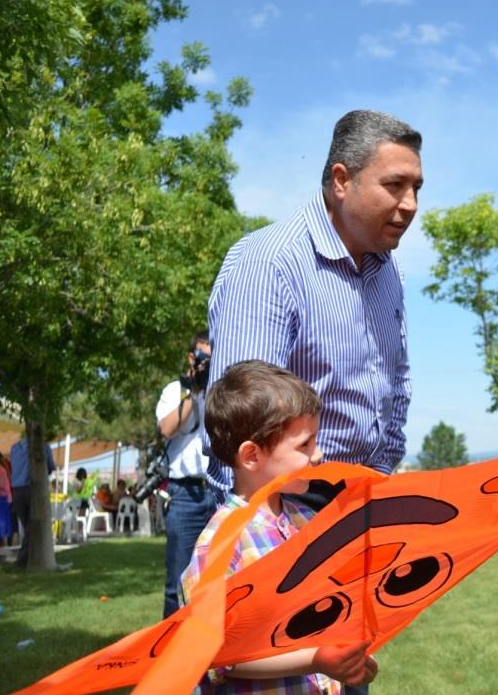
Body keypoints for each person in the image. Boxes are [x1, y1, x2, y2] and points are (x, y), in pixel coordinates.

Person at [206, 110, 422, 507]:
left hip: (366, 502)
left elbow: (397, 386)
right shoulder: (269, 264)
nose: (410, 204)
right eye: (395, 185)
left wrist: (379, 482)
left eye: (416, 188)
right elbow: (234, 426)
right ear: (342, 180)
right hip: (289, 516)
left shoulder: (390, 273)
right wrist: (263, 532)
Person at [181, 359, 378, 694]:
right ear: (252, 457)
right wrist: (315, 659)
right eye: (305, 444)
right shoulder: (219, 543)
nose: (319, 454)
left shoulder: (308, 520)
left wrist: (345, 660)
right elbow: (217, 652)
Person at [156, 331, 216, 618]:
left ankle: (207, 655)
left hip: (217, 492)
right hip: (184, 495)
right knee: (177, 583)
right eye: (202, 358)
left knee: (215, 581)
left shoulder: (220, 391)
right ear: (191, 357)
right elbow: (167, 429)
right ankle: (172, 656)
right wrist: (193, 391)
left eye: (210, 358)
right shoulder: (174, 391)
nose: (205, 364)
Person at [9, 437, 56, 567]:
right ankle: (22, 561)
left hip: (16, 492)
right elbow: (50, 467)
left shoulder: (14, 448)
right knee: (32, 529)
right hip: (32, 490)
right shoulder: (42, 446)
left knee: (28, 528)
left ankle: (29, 559)